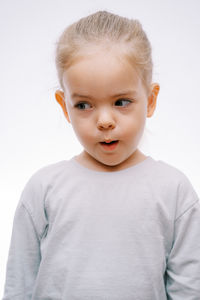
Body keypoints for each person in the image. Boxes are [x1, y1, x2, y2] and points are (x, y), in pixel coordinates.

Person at [2, 10, 200, 300]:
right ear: (63, 105)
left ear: (151, 100)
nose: (104, 121)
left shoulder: (175, 191)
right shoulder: (43, 189)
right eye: (84, 105)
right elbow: (18, 287)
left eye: (121, 102)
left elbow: (189, 290)